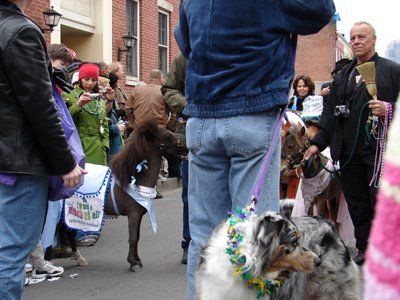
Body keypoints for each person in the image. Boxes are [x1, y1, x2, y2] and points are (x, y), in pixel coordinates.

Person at [174, 1, 336, 298]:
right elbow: (320, 11)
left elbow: (186, 43)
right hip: (252, 112)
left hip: (202, 117)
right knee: (259, 238)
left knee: (204, 239)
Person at [0, 1, 85, 298]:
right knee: (10, 255)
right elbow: (39, 105)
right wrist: (65, 163)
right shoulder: (20, 30)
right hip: (17, 164)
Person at [304, 21, 400, 266]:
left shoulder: (392, 70)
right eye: (354, 38)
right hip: (347, 154)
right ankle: (365, 249)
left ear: (374, 39)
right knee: (357, 204)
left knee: (379, 201)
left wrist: (389, 109)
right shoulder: (342, 75)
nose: (356, 41)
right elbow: (330, 117)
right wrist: (317, 144)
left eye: (362, 37)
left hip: (380, 153)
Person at [161, 53, 190, 264]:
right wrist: (189, 106)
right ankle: (189, 243)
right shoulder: (184, 59)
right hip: (192, 135)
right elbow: (169, 89)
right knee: (190, 195)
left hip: (226, 133)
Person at [63, 63, 112, 166]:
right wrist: (79, 105)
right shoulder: (69, 95)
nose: (90, 83)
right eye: (86, 79)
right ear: (80, 79)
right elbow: (64, 120)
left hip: (98, 149)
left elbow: (104, 126)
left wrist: (104, 146)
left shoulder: (99, 100)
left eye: (93, 80)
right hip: (79, 147)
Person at [106, 72, 125, 163]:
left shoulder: (111, 97)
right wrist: (117, 128)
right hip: (111, 145)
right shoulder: (102, 102)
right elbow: (103, 122)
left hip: (116, 142)